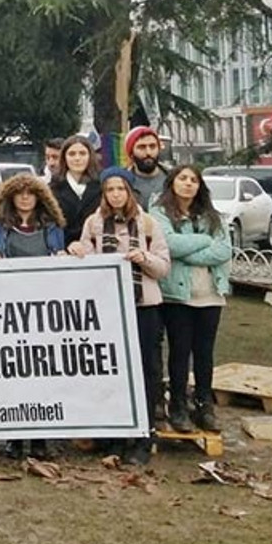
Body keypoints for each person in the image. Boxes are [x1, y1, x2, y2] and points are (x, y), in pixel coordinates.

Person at [68, 167, 171, 465]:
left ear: (129, 191)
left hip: (144, 306)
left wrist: (145, 259)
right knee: (114, 370)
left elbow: (164, 266)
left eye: (120, 189)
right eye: (109, 189)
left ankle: (144, 435)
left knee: (148, 370)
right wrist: (76, 249)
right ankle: (113, 435)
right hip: (109, 309)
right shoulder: (94, 222)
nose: (115, 195)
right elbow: (85, 254)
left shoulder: (148, 223)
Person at [0, 172, 66, 460]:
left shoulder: (52, 227)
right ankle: (15, 437)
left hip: (43, 310)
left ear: (39, 197)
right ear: (9, 197)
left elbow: (61, 259)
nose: (24, 197)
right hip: (9, 310)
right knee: (13, 373)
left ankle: (41, 437)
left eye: (30, 193)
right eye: (18, 193)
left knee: (42, 373)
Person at [153, 165, 232, 434]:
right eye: (183, 179)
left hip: (210, 293)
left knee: (204, 352)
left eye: (193, 180)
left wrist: (189, 248)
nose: (188, 184)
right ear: (172, 182)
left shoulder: (214, 216)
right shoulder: (160, 212)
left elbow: (223, 250)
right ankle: (177, 404)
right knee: (179, 351)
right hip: (178, 294)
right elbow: (170, 245)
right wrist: (203, 240)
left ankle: (204, 403)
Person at [50, 135, 102, 245]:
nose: (77, 158)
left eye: (82, 153)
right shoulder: (52, 189)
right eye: (72, 154)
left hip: (97, 250)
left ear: (90, 156)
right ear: (64, 157)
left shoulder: (102, 186)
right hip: (64, 252)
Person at [125, 126, 167, 210]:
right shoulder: (122, 181)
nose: (148, 152)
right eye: (141, 147)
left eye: (152, 146)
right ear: (131, 153)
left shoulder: (173, 179)